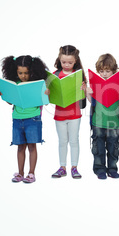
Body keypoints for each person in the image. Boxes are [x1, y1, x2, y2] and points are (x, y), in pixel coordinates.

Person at [0, 55, 49, 183]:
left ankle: (31, 173)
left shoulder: (36, 84)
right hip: (17, 118)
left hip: (33, 119)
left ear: (32, 72)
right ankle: (20, 173)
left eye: (26, 73)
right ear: (15, 72)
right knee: (20, 147)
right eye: (20, 73)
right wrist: (3, 94)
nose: (23, 76)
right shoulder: (16, 84)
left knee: (32, 146)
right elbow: (11, 102)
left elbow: (45, 101)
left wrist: (46, 93)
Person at [86, 53, 119, 180]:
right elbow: (91, 102)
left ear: (113, 70)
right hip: (98, 122)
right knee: (98, 148)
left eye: (107, 71)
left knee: (113, 148)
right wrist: (88, 93)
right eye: (101, 71)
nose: (104, 74)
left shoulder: (118, 83)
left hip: (114, 123)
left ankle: (112, 169)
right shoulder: (96, 84)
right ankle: (100, 170)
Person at [51, 45, 87, 179]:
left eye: (70, 62)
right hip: (59, 114)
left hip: (74, 114)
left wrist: (83, 89)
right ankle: (62, 167)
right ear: (59, 60)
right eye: (63, 62)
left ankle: (74, 167)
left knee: (74, 140)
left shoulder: (78, 74)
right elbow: (50, 97)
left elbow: (83, 101)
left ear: (76, 61)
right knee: (62, 141)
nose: (66, 65)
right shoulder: (55, 74)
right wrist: (48, 92)